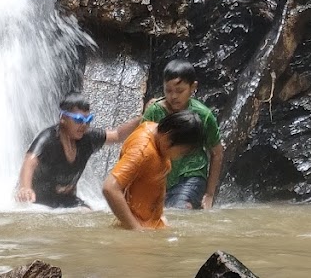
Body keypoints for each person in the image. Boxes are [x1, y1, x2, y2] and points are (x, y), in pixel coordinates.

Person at [15, 95, 139, 208]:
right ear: (63, 118)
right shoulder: (48, 138)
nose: (84, 125)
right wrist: (25, 188)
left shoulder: (88, 138)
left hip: (64, 199)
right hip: (35, 200)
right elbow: (30, 161)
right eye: (79, 120)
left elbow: (117, 135)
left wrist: (142, 118)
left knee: (87, 215)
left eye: (88, 119)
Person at [101, 109, 205, 230]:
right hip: (139, 230)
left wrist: (161, 216)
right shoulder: (142, 151)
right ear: (168, 138)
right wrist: (135, 228)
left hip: (152, 224)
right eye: (182, 152)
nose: (180, 157)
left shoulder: (155, 131)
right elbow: (110, 188)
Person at [141, 58, 223, 209]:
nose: (173, 96)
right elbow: (140, 143)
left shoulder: (203, 116)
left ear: (193, 87)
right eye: (168, 91)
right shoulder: (154, 111)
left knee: (180, 210)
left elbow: (217, 153)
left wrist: (210, 194)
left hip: (192, 175)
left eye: (179, 91)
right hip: (160, 178)